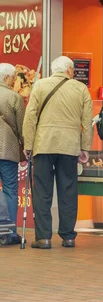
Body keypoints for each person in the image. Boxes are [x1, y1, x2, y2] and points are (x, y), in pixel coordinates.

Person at [22, 56, 93, 249]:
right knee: (68, 190)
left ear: (54, 70)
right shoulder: (80, 88)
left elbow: (30, 117)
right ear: (70, 70)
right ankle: (68, 236)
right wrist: (85, 147)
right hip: (69, 146)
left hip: (43, 144)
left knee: (42, 191)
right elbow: (86, 121)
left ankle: (44, 237)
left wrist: (28, 144)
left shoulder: (40, 85)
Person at [0, 63, 25, 245]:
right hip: (7, 150)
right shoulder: (14, 97)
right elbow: (22, 127)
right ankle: (8, 233)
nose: (15, 80)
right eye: (14, 77)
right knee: (9, 190)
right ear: (7, 78)